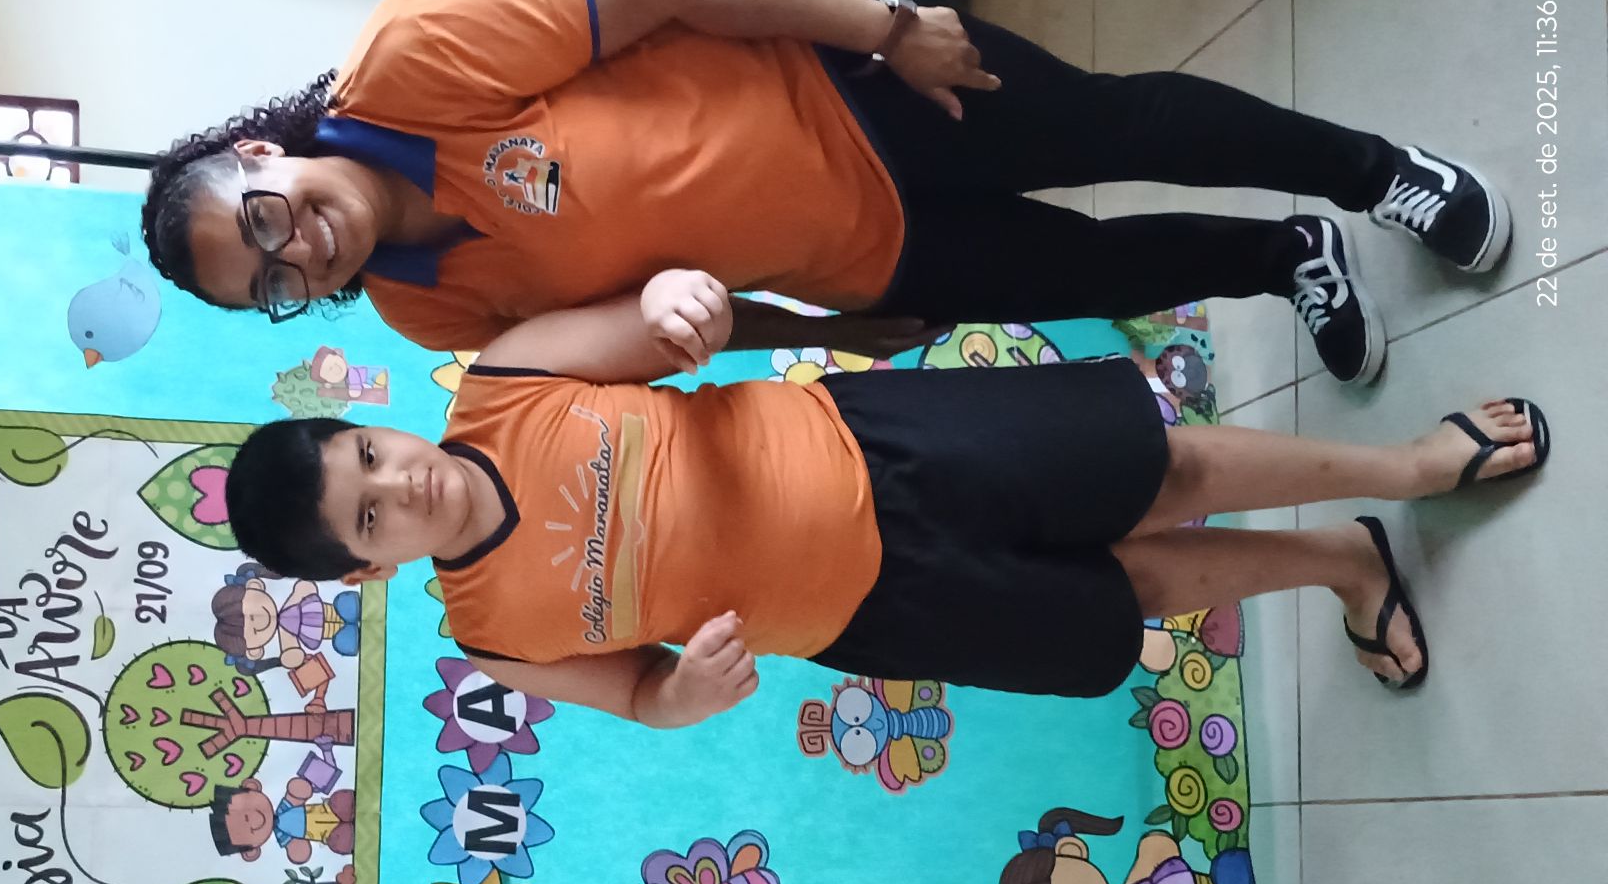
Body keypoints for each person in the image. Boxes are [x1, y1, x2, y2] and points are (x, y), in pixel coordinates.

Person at [142, 0, 1509, 384]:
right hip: (856, 253)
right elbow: (650, 325)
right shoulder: (421, 306)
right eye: (269, 284)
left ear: (259, 152)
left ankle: (1373, 174)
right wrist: (824, 330)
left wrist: (890, 28)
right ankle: (1287, 258)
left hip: (850, 80)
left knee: (1116, 127)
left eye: (260, 220)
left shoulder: (413, 53)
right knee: (1089, 273)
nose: (294, 252)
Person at [221, 268, 1548, 711]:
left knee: (1166, 465)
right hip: (875, 612)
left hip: (884, 443)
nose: (404, 484)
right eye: (371, 516)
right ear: (372, 568)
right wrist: (686, 695)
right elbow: (638, 695)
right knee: (1123, 594)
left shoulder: (504, 382)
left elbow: (658, 320)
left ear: (374, 428)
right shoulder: (491, 635)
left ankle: (1409, 465)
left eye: (370, 457)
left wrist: (678, 303)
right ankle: (1343, 564)